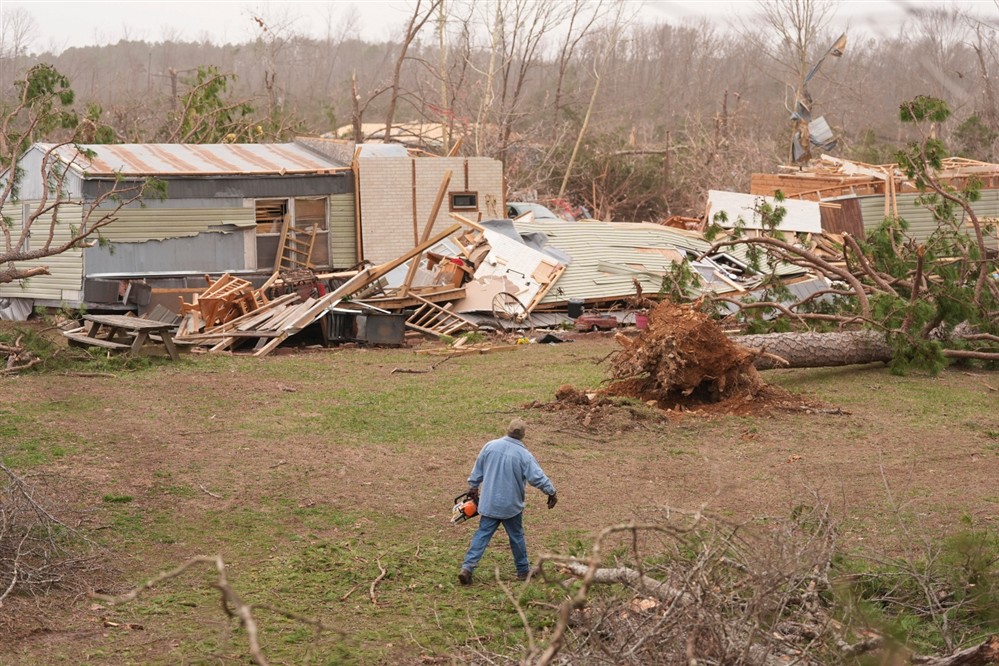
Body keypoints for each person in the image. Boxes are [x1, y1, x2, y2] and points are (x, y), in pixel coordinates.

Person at [458, 418, 557, 585]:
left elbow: (478, 469)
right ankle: (523, 570)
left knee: (482, 534)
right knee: (516, 536)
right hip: (511, 506)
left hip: (489, 502)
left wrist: (473, 486)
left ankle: (467, 567)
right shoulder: (524, 455)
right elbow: (537, 477)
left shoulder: (490, 446)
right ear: (523, 435)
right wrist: (551, 492)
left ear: (507, 430)